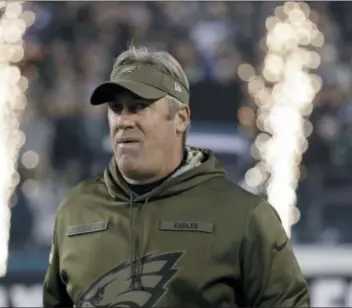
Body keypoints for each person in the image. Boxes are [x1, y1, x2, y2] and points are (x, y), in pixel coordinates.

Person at [43, 45, 310, 307]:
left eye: (138, 107)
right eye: (116, 108)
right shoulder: (76, 210)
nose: (124, 120)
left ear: (181, 118)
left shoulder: (245, 217)